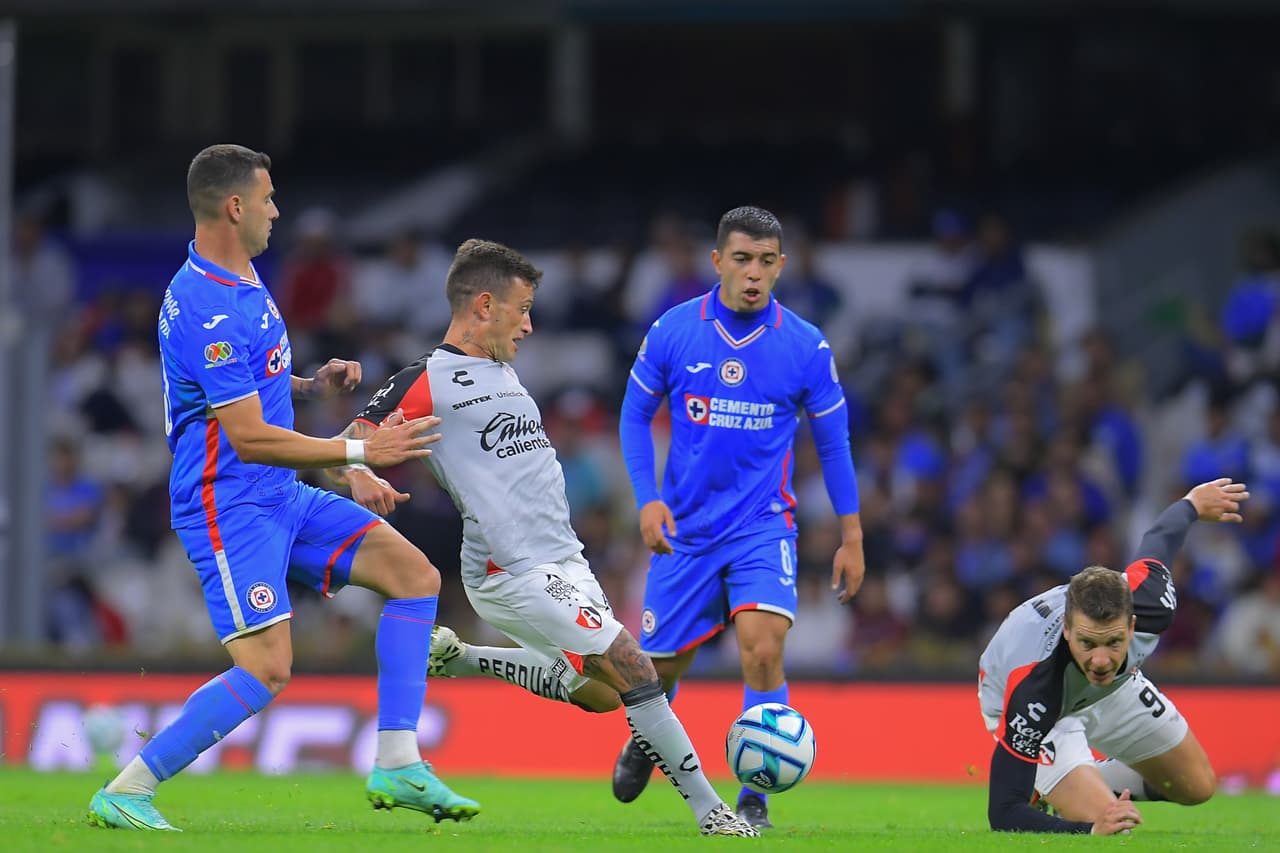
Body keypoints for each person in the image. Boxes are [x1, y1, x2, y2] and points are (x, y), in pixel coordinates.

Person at [87, 144, 478, 831]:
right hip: (229, 503)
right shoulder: (206, 306)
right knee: (267, 667)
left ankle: (397, 760)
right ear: (235, 206)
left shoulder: (242, 279)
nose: (276, 210)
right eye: (268, 198)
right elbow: (247, 436)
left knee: (415, 576)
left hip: (280, 494)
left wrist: (305, 386)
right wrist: (360, 450)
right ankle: (127, 789)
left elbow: (240, 389)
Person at [332, 238, 760, 837]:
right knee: (635, 667)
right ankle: (713, 814)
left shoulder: (503, 372)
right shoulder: (425, 379)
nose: (530, 325)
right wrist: (356, 470)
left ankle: (461, 655)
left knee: (603, 695)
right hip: (510, 567)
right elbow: (341, 445)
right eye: (523, 309)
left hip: (563, 559)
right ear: (484, 306)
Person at [612, 205, 866, 828]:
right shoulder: (675, 329)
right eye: (743, 259)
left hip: (762, 526)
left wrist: (852, 534)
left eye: (766, 261)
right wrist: (647, 498)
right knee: (659, 671)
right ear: (718, 261)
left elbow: (834, 444)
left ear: (781, 267)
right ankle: (648, 736)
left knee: (762, 650)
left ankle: (755, 792)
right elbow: (634, 416)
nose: (754, 273)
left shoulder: (805, 346)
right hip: (685, 532)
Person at [978, 477, 1249, 835]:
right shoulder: (1033, 690)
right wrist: (1087, 830)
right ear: (1068, 631)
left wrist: (1192, 503)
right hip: (1047, 710)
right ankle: (1063, 784)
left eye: (1114, 642)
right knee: (1113, 827)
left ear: (1132, 626)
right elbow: (1003, 812)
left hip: (1115, 691)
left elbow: (1160, 538)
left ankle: (1073, 781)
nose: (1102, 661)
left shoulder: (1151, 602)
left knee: (1197, 786)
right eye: (1088, 643)